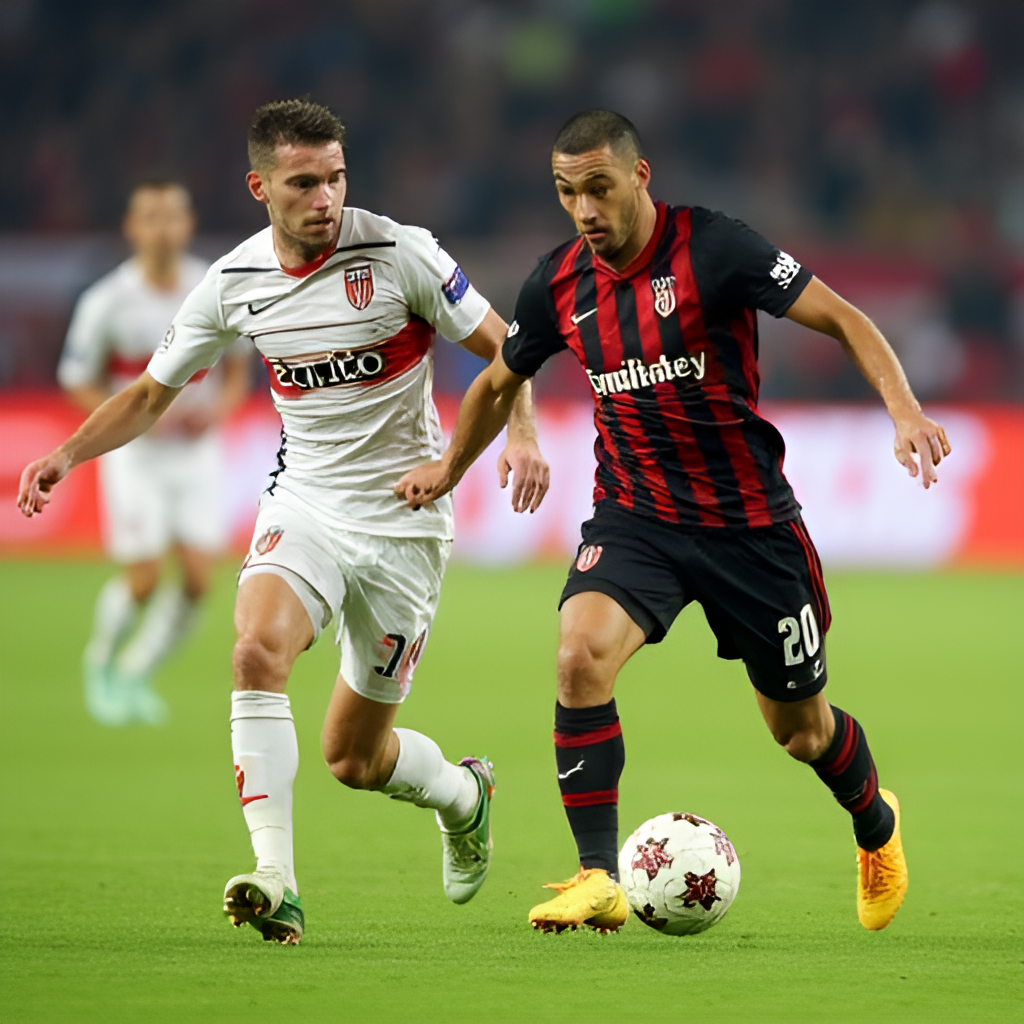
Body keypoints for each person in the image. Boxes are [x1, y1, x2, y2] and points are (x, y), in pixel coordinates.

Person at [396, 110, 952, 935]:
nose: (584, 209)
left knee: (800, 731)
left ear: (639, 177)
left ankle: (877, 825)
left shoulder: (715, 248)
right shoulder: (557, 284)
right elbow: (496, 380)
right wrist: (450, 468)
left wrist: (904, 411)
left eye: (598, 188)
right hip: (637, 518)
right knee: (578, 655)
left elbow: (844, 317)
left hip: (750, 527)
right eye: (566, 192)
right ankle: (596, 874)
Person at [20, 98, 549, 945]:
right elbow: (153, 392)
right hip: (304, 503)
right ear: (259, 186)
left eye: (336, 177)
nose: (326, 198)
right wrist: (69, 454)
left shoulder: (400, 251)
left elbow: (507, 347)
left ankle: (462, 793)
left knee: (354, 759)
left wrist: (519, 432)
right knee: (254, 651)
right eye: (304, 182)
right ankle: (278, 879)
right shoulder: (233, 282)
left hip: (406, 525)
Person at [57, 180, 251, 727]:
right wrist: (136, 418)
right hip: (136, 454)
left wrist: (218, 411)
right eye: (151, 216)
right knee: (143, 579)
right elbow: (76, 380)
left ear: (188, 225)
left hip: (197, 453)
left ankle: (136, 671)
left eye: (173, 216)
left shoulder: (211, 287)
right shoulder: (106, 301)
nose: (163, 227)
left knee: (195, 579)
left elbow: (238, 366)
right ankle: (100, 665)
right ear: (132, 226)